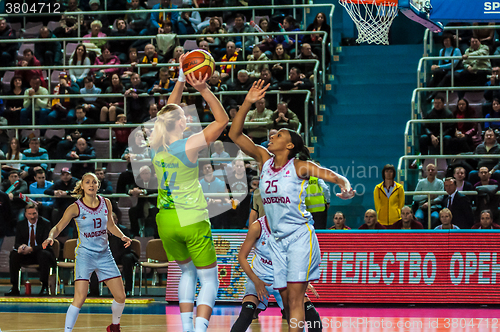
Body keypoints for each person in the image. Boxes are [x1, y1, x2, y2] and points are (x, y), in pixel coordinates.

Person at [228, 80, 354, 332]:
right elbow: (234, 134)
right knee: (286, 301)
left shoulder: (298, 166)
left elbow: (328, 173)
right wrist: (247, 103)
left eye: (279, 135)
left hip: (299, 237)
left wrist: (344, 184)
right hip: (276, 241)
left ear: (289, 146)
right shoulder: (264, 159)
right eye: (273, 134)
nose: (272, 136)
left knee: (295, 300)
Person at [148, 53, 228, 332]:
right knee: (209, 280)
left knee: (186, 273)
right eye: (184, 117)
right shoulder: (190, 145)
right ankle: (201, 329)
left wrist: (181, 78)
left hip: (166, 221)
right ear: (180, 123)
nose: (187, 118)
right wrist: (203, 89)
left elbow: (168, 111)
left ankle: (185, 328)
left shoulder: (156, 146)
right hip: (191, 218)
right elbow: (222, 120)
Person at [42, 173, 131, 332]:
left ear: (98, 185)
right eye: (88, 182)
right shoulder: (75, 207)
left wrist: (123, 236)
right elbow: (58, 227)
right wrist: (50, 237)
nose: (91, 185)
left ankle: (114, 326)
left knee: (121, 296)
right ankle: (67, 330)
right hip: (85, 255)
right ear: (82, 186)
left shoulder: (106, 202)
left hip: (104, 254)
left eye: (94, 182)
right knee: (80, 297)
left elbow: (110, 226)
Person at [231, 216, 322, 332]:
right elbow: (241, 257)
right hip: (260, 278)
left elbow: (297, 258)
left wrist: (302, 280)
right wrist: (257, 282)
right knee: (246, 315)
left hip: (284, 279)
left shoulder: (292, 227)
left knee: (312, 316)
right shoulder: (257, 226)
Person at [5, 203, 56, 296]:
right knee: (14, 254)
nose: (32, 216)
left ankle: (44, 287)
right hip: (26, 254)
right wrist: (21, 247)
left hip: (41, 253)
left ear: (38, 213)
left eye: (34, 214)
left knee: (43, 254)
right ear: (25, 214)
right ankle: (15, 287)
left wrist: (32, 249)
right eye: (30, 214)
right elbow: (17, 243)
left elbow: (46, 244)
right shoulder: (20, 224)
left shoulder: (45, 223)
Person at [199, 163, 231, 229]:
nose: (207, 169)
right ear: (203, 171)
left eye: (209, 167)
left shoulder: (220, 182)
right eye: (205, 168)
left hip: (216, 205)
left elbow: (222, 199)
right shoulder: (199, 183)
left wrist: (212, 201)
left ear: (213, 170)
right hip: (204, 205)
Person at [305, 161, 330, 229]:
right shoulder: (317, 177)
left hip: (306, 210)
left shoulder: (303, 178)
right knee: (320, 232)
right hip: (320, 209)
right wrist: (328, 201)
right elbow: (325, 189)